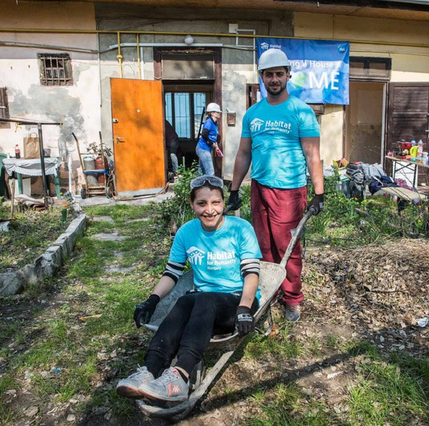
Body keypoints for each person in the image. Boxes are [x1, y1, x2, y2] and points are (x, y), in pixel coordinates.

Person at [116, 175, 262, 404]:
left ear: (224, 202)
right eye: (202, 203)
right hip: (203, 303)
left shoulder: (241, 229)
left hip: (236, 301)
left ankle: (180, 376)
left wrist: (244, 307)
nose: (210, 210)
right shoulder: (186, 232)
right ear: (192, 205)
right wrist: (152, 300)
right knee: (185, 301)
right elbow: (172, 273)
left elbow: (252, 273)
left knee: (204, 299)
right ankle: (149, 369)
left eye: (215, 202)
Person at [228, 48, 324, 323]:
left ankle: (292, 298)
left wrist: (319, 193)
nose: (274, 79)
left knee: (288, 246)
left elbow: (312, 155)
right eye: (269, 74)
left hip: (290, 191)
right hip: (259, 188)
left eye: (279, 74)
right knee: (262, 246)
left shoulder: (301, 112)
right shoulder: (252, 114)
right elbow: (244, 153)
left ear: (288, 76)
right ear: (261, 77)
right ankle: (269, 293)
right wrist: (234, 189)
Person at [196, 103, 222, 176]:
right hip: (203, 148)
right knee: (210, 171)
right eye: (217, 112)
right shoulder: (209, 122)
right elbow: (204, 134)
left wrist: (215, 145)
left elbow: (212, 136)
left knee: (201, 171)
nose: (219, 113)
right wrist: (211, 143)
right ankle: (211, 186)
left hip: (205, 149)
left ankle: (198, 186)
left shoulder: (215, 123)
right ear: (212, 113)